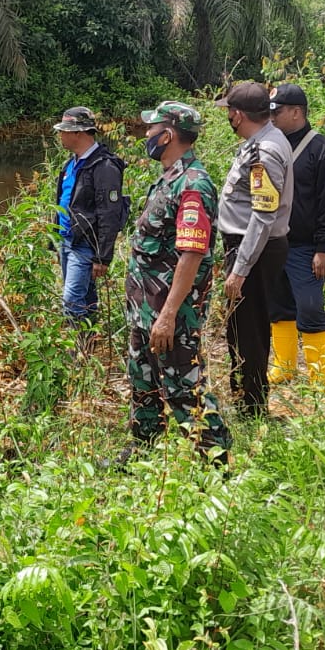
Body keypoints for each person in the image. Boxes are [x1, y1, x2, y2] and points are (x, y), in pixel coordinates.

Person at [123, 101, 232, 459]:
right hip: (145, 309)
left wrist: (168, 315)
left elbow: (192, 253)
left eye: (152, 129)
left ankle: (216, 463)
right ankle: (143, 452)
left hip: (172, 313)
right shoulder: (168, 178)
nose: (147, 135)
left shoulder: (193, 184)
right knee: (144, 383)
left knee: (185, 386)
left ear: (168, 134)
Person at [215, 83, 292, 415]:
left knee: (250, 330)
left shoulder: (265, 152)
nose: (228, 117)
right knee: (238, 327)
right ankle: (243, 395)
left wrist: (240, 269)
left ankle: (253, 406)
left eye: (229, 112)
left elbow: (263, 216)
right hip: (248, 247)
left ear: (239, 114)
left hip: (255, 251)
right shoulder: (260, 143)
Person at [266, 84, 325, 390]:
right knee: (279, 306)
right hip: (276, 244)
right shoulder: (274, 147)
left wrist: (324, 247)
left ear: (296, 112)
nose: (272, 118)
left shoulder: (322, 150)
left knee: (310, 307)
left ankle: (319, 377)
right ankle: (284, 367)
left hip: (306, 246)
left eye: (278, 111)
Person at [51, 106, 127, 329]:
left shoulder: (104, 166)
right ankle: (90, 343)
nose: (61, 136)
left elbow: (109, 213)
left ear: (78, 133)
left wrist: (103, 256)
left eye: (64, 131)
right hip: (68, 240)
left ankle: (77, 352)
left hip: (84, 245)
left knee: (71, 301)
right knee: (85, 298)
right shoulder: (72, 164)